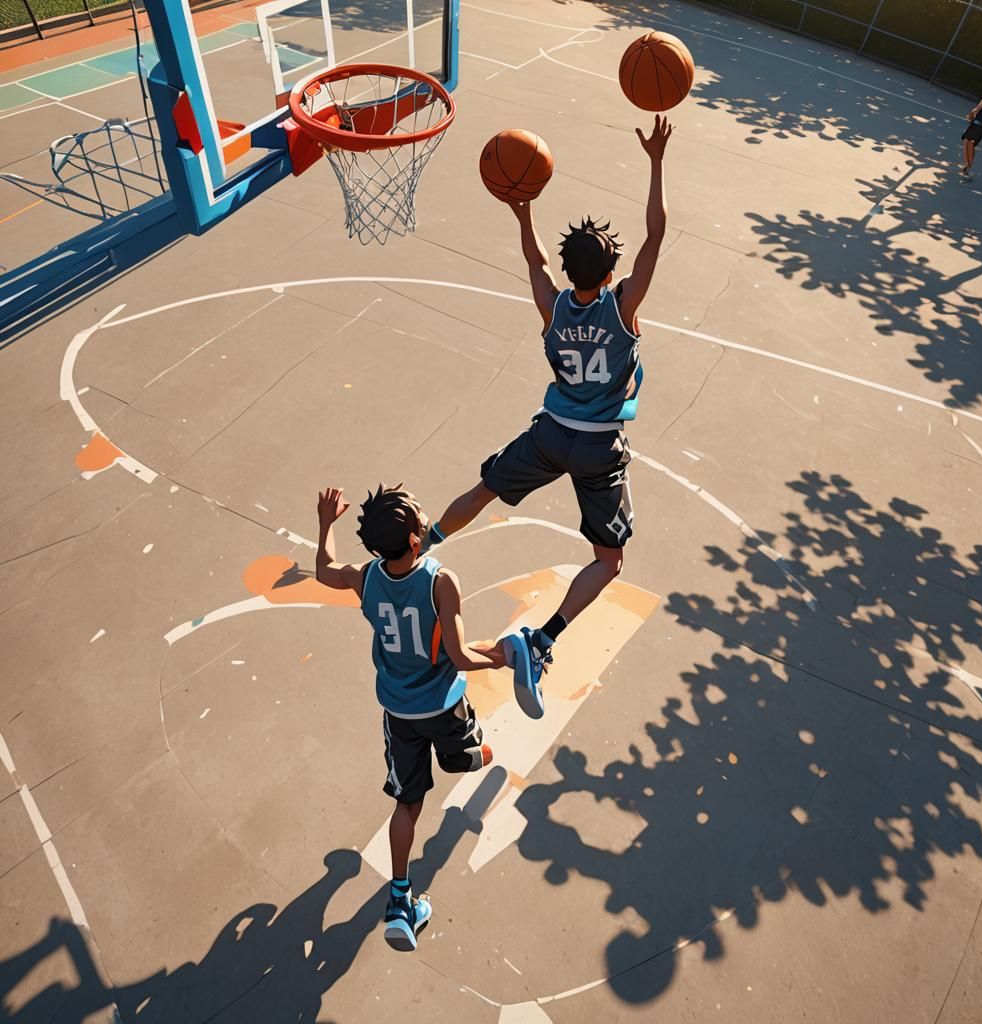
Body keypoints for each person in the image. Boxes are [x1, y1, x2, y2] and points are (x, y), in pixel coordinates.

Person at [419, 115, 673, 721]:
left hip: (551, 435)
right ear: (610, 274)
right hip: (598, 447)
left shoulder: (552, 307)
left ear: (570, 272)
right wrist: (656, 161)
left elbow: (534, 262)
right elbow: (656, 235)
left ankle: (420, 549)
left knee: (485, 489)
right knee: (608, 561)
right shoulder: (624, 307)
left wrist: (523, 210)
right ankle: (543, 638)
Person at [315, 484, 506, 952]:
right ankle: (467, 755)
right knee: (468, 749)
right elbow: (460, 656)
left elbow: (323, 571)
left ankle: (400, 900)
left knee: (407, 804)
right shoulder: (441, 582)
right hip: (443, 705)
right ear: (418, 540)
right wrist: (502, 659)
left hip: (399, 711)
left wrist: (325, 524)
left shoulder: (365, 578)